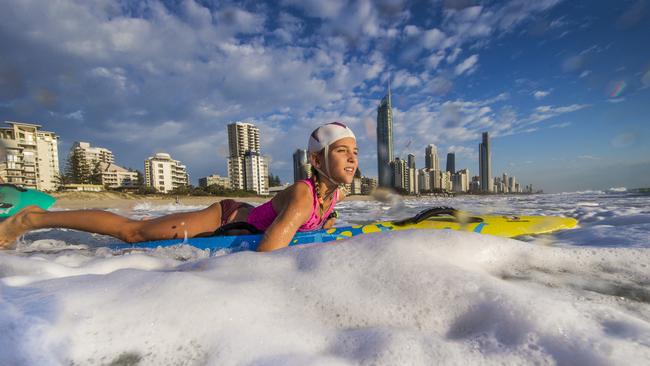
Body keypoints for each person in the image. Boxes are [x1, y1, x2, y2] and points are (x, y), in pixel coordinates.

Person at [0, 122, 358, 252]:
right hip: (225, 218)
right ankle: (30, 218)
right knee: (135, 233)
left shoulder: (335, 194)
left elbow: (315, 226)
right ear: (316, 161)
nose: (352, 159)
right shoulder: (301, 192)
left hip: (247, 217)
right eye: (342, 151)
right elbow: (268, 256)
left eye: (355, 152)